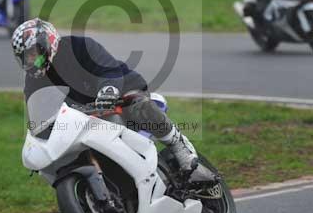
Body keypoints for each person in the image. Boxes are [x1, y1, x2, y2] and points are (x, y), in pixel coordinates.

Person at [11, 18, 213, 181]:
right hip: (82, 118)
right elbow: (38, 114)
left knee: (137, 104)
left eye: (33, 53)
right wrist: (40, 142)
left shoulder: (79, 46)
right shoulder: (34, 81)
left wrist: (107, 91)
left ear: (48, 42)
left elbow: (109, 70)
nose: (31, 61)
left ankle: (180, 148)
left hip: (120, 93)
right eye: (25, 57)